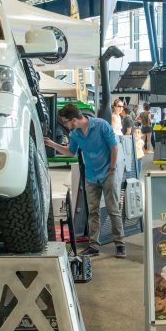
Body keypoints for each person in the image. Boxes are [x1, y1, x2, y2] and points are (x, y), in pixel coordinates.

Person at [45, 103, 126, 258]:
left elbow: (114, 147)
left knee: (112, 209)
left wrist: (112, 168)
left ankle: (120, 245)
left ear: (73, 119)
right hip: (91, 175)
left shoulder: (101, 125)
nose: (65, 125)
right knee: (92, 211)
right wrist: (53, 144)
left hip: (108, 172)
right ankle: (94, 245)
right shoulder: (75, 135)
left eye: (66, 122)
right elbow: (70, 152)